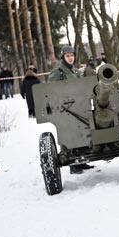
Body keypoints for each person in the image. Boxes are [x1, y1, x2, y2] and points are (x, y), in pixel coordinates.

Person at [48, 45, 93, 174]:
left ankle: (82, 161)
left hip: (79, 105)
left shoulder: (73, 70)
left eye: (72, 55)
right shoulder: (58, 72)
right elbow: (50, 88)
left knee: (83, 131)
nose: (70, 58)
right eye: (67, 56)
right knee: (69, 134)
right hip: (65, 108)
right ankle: (72, 164)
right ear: (63, 57)